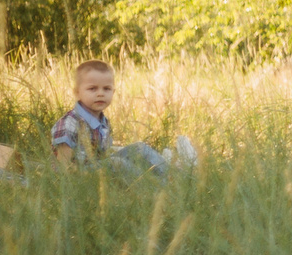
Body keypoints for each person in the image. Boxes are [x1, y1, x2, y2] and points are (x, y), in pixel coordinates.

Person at [51, 60, 197, 173]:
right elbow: (63, 165)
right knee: (118, 163)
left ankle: (172, 174)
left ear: (113, 92)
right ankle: (151, 188)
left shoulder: (102, 121)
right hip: (79, 172)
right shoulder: (70, 123)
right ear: (77, 92)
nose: (100, 93)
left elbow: (104, 153)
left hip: (99, 166)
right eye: (92, 89)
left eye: (106, 89)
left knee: (139, 148)